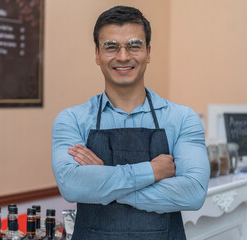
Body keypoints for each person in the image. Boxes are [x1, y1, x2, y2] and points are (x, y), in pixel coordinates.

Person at [52, 5, 210, 240]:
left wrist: (104, 183)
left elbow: (193, 193)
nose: (123, 56)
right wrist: (153, 171)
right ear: (97, 54)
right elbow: (72, 186)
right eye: (111, 47)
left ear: (148, 52)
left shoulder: (182, 118)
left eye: (134, 46)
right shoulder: (72, 119)